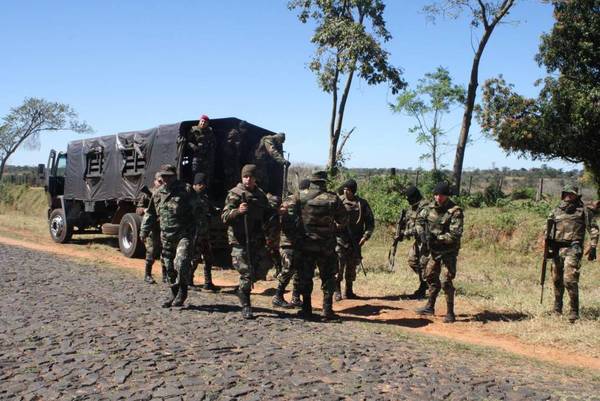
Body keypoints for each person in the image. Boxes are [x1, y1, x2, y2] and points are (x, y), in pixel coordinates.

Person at [221, 164, 276, 319]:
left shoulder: (260, 194)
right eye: (245, 176)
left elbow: (266, 214)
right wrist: (238, 212)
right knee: (246, 273)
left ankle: (241, 290)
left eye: (250, 177)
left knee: (262, 269)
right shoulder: (235, 194)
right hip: (239, 239)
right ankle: (246, 305)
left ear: (255, 178)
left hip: (256, 239)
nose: (248, 179)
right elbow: (224, 217)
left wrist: (277, 212)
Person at [140, 164, 199, 308]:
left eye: (168, 176)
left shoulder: (185, 190)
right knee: (169, 267)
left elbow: (198, 210)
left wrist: (199, 230)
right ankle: (173, 292)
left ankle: (183, 291)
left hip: (183, 235)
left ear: (175, 176)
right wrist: (144, 230)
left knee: (182, 261)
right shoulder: (158, 193)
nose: (165, 179)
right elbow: (151, 213)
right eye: (163, 176)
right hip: (166, 236)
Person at [293, 170, 347, 321]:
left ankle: (306, 308)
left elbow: (287, 214)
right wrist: (331, 228)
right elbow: (343, 220)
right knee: (328, 277)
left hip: (306, 245)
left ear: (312, 181)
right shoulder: (333, 198)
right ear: (324, 182)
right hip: (327, 246)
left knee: (305, 276)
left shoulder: (300, 196)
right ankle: (327, 310)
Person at [548, 185, 598, 323]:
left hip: (573, 248)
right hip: (557, 250)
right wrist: (548, 248)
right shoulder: (556, 211)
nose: (569, 196)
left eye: (572, 194)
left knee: (569, 279)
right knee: (557, 280)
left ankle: (574, 311)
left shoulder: (583, 211)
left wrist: (593, 246)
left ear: (577, 195)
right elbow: (548, 230)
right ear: (563, 195)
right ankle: (557, 309)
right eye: (566, 193)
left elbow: (593, 229)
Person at [415, 182, 463, 323]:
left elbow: (455, 234)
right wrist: (422, 233)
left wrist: (437, 238)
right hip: (434, 250)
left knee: (446, 280)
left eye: (441, 195)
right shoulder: (429, 208)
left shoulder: (455, 212)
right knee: (429, 275)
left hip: (449, 250)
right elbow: (419, 220)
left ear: (447, 196)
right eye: (436, 195)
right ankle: (430, 306)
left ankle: (450, 312)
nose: (438, 198)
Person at [334, 179, 375, 301]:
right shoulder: (338, 202)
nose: (345, 192)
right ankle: (337, 291)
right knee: (338, 266)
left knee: (351, 267)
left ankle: (349, 290)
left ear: (353, 191)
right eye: (344, 189)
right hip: (340, 239)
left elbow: (370, 223)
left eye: (348, 190)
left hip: (356, 241)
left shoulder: (362, 204)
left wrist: (365, 237)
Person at [272, 191, 304, 309]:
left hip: (299, 242)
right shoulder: (290, 202)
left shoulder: (304, 201)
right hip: (288, 243)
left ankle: (295, 297)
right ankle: (278, 296)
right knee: (288, 269)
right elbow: (286, 221)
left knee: (299, 270)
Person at [190, 172, 218, 291]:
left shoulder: (205, 198)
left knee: (208, 258)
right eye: (199, 184)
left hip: (205, 233)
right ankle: (188, 281)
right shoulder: (190, 198)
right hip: (194, 234)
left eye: (203, 184)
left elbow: (210, 210)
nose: (202, 186)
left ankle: (208, 282)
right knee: (194, 259)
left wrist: (216, 210)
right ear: (194, 185)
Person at [136, 172, 166, 284]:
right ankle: (147, 275)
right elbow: (138, 210)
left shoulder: (166, 194)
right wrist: (145, 210)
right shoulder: (147, 194)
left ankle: (165, 276)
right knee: (151, 251)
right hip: (151, 228)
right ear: (155, 181)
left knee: (165, 252)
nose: (161, 183)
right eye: (159, 181)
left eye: (163, 181)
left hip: (163, 227)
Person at [402, 186, 430, 299]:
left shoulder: (425, 208)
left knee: (423, 264)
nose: (408, 200)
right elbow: (408, 221)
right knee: (412, 261)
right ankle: (427, 281)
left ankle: (425, 286)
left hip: (426, 241)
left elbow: (419, 228)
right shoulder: (413, 208)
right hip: (418, 241)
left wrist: (405, 233)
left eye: (409, 198)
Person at [187, 115, 216, 186]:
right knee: (195, 174)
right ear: (199, 121)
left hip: (206, 157)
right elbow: (188, 142)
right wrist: (194, 147)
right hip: (197, 157)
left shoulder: (209, 132)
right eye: (202, 121)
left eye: (205, 122)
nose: (203, 123)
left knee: (207, 175)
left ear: (207, 123)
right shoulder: (193, 130)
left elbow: (214, 143)